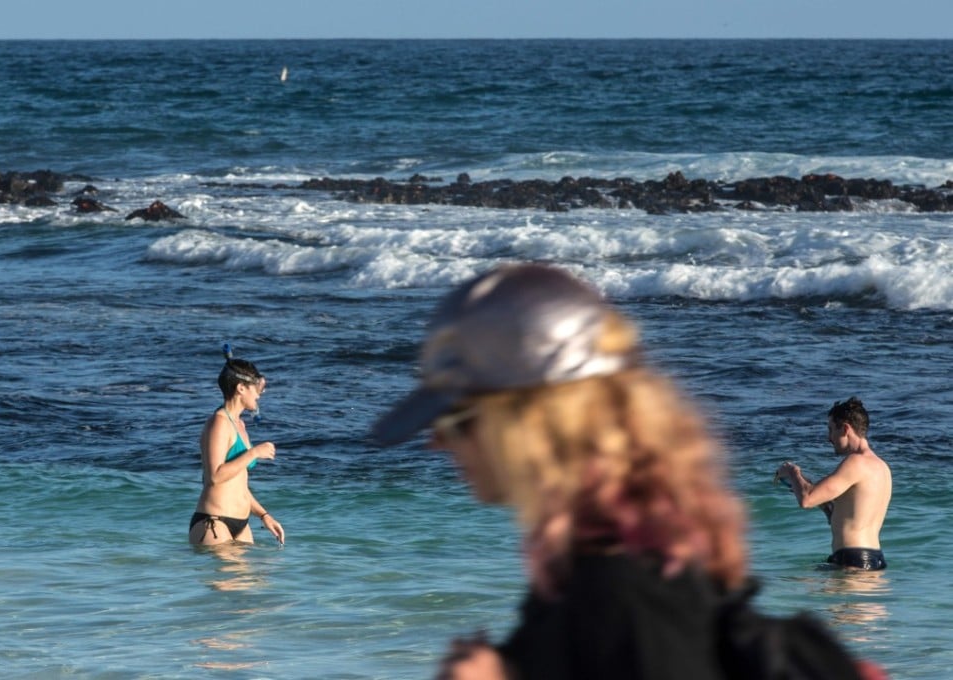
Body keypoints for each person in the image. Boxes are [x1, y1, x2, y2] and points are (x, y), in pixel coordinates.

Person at [371, 263, 883, 680]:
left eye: (458, 418)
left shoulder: (619, 591)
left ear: (531, 419)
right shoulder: (621, 550)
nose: (436, 441)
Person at [775, 397, 891, 570]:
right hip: (874, 559)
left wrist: (792, 472)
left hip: (852, 560)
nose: (829, 438)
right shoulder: (882, 468)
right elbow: (838, 513)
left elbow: (807, 499)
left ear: (845, 429)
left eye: (831, 430)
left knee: (787, 583)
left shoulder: (856, 462)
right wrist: (800, 485)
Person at [189, 351, 285, 546]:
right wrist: (255, 452)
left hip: (241, 525)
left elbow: (237, 484)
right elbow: (215, 476)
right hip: (214, 522)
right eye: (255, 389)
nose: (258, 395)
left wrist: (263, 515)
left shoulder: (239, 425)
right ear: (241, 388)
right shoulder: (219, 422)